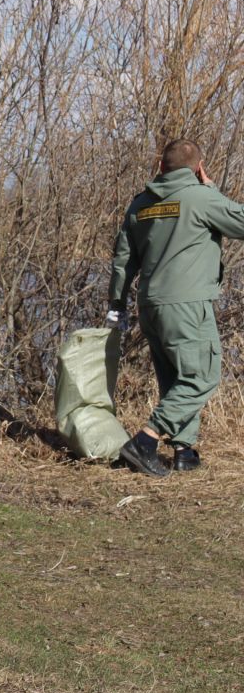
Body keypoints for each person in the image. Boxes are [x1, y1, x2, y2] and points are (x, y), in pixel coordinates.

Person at [107, 138, 244, 476]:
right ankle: (145, 441)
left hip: (150, 306)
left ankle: (184, 451)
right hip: (187, 303)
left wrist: (116, 303)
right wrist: (213, 190)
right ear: (198, 168)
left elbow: (123, 260)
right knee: (202, 377)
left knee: (174, 377)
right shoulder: (201, 197)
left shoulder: (140, 204)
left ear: (160, 167)